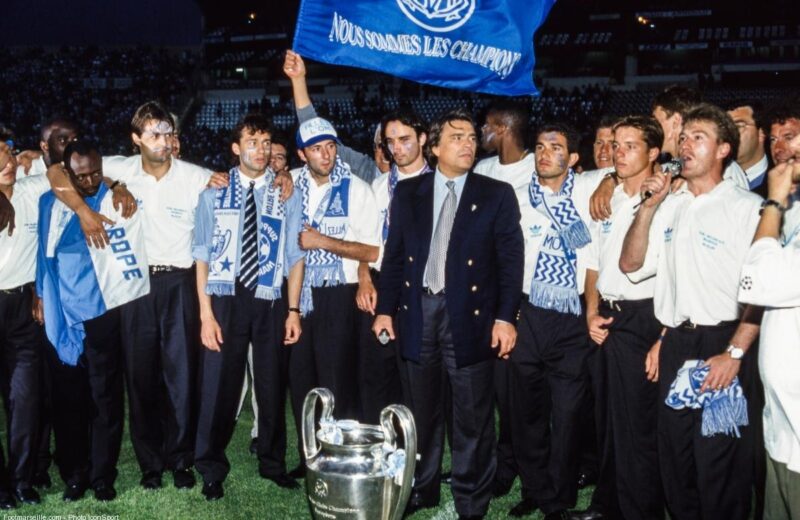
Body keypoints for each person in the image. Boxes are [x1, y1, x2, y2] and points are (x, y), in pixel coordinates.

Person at [374, 108, 523, 520]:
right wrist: (385, 310)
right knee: (420, 412)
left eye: (473, 137)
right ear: (434, 145)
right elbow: (394, 259)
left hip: (469, 317)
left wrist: (506, 317)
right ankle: (421, 487)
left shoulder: (495, 195)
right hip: (417, 312)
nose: (469, 144)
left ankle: (471, 500)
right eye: (457, 137)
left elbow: (512, 263)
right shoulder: (409, 194)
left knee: (473, 415)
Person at [619, 103, 762, 519]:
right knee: (676, 460)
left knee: (718, 464)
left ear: (723, 150)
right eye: (683, 137)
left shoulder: (745, 208)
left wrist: (734, 354)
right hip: (677, 342)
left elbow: (761, 292)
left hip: (722, 341)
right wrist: (647, 206)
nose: (685, 144)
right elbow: (630, 265)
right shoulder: (671, 206)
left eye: (698, 137)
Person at [193, 114, 305, 500]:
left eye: (266, 142)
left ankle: (272, 462)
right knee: (219, 385)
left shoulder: (285, 193)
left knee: (272, 383)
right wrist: (206, 314)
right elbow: (201, 256)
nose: (261, 150)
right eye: (252, 142)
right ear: (236, 148)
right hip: (226, 297)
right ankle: (210, 465)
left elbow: (294, 255)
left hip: (270, 298)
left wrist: (293, 311)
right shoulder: (213, 192)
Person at [36, 140, 147, 503]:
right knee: (69, 400)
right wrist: (40, 294)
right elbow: (42, 254)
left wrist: (116, 186)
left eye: (96, 173)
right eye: (81, 175)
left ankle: (102, 475)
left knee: (105, 397)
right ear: (67, 174)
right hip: (62, 310)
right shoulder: (48, 204)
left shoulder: (111, 197)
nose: (89, 180)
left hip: (101, 310)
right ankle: (75, 473)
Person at [573, 115, 666, 520]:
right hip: (605, 314)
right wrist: (590, 311)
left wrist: (663, 334)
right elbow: (593, 263)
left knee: (637, 426)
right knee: (607, 419)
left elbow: (670, 276)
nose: (618, 152)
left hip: (641, 315)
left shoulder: (665, 201)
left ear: (653, 153)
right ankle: (606, 505)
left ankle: (638, 509)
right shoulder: (606, 196)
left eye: (630, 145)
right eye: (615, 144)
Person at [506, 123, 597, 520]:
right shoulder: (517, 199)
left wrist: (610, 179)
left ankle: (558, 499)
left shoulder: (592, 191)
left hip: (572, 317)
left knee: (568, 414)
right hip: (528, 313)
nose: (544, 154)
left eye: (555, 148)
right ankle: (534, 489)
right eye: (540, 147)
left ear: (573, 158)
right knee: (527, 412)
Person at [288, 115, 381, 450]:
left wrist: (322, 241)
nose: (326, 155)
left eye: (330, 147)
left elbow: (371, 249)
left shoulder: (356, 188)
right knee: (301, 376)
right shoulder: (288, 184)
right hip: (297, 292)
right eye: (316, 149)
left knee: (337, 376)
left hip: (338, 293)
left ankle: (339, 449)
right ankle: (309, 451)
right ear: (302, 155)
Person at [473, 100, 534, 499]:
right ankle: (501, 464)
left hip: (528, 296)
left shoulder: (537, 168)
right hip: (487, 297)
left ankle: (530, 471)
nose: (481, 135)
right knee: (494, 389)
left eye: (485, 127)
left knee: (523, 394)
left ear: (502, 129)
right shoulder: (482, 170)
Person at [738, 133, 800, 520]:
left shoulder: (783, 205)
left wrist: (773, 203)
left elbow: (755, 283)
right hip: (783, 425)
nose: (788, 152)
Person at [355, 109, 431, 423]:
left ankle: (416, 453)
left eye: (404, 140)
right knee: (377, 372)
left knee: (417, 376)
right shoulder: (378, 186)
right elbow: (367, 241)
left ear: (423, 139)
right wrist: (363, 276)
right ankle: (379, 447)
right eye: (390, 142)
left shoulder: (441, 184)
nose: (396, 148)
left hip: (423, 286)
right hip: (382, 281)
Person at [0, 133, 48, 508]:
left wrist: (39, 153)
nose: (6, 161)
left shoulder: (33, 186)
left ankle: (20, 480)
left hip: (22, 308)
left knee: (24, 398)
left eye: (8, 152)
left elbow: (78, 170)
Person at [283, 50, 379, 183]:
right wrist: (298, 79)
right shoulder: (365, 169)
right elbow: (313, 129)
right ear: (373, 148)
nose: (387, 152)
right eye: (381, 145)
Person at [726, 100, 770, 196]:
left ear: (761, 132)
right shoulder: (712, 181)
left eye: (738, 126)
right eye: (725, 128)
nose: (729, 134)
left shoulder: (786, 181)